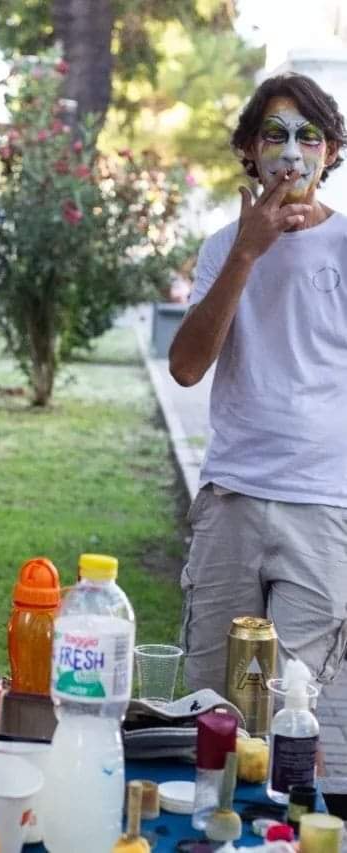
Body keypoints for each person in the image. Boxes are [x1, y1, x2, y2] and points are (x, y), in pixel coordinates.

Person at [169, 73, 347, 692]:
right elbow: (186, 368)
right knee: (212, 699)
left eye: (310, 136)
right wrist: (248, 252)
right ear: (249, 149)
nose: (292, 153)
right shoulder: (223, 248)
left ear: (331, 153)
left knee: (290, 702)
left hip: (323, 507)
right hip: (233, 497)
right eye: (275, 135)